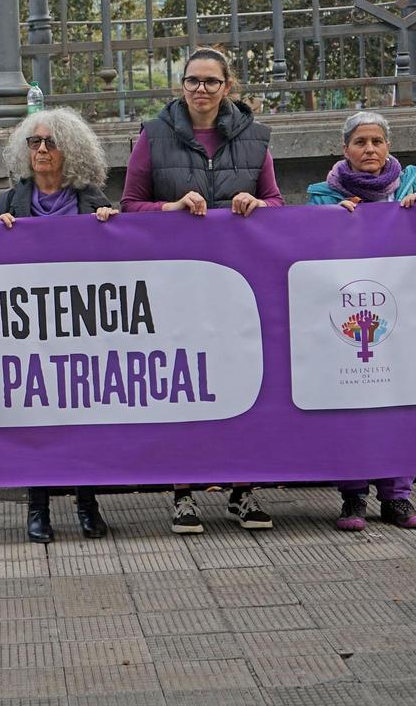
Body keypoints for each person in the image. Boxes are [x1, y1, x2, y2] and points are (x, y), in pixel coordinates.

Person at [121, 47, 282, 535]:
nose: (202, 90)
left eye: (212, 82)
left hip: (240, 285)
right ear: (182, 86)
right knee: (182, 386)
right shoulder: (153, 136)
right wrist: (169, 209)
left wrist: (256, 203)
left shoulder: (255, 139)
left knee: (243, 382)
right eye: (193, 81)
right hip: (178, 284)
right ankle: (184, 491)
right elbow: (130, 205)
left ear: (227, 87)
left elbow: (277, 202)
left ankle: (243, 490)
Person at [307, 110, 416, 531]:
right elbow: (304, 248)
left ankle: (397, 497)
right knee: (348, 406)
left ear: (388, 146)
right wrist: (327, 221)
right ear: (345, 149)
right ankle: (353, 498)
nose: (369, 149)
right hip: (345, 320)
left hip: (397, 321)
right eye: (360, 142)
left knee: (403, 401)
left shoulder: (413, 190)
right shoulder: (322, 196)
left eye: (377, 141)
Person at [0, 106, 118, 544]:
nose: (41, 150)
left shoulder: (93, 201)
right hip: (28, 329)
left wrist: (110, 228)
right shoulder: (11, 201)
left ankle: (87, 504)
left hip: (80, 328)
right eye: (34, 142)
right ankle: (38, 507)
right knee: (36, 419)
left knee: (82, 416)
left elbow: (115, 264)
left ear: (71, 151)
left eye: (50, 142)